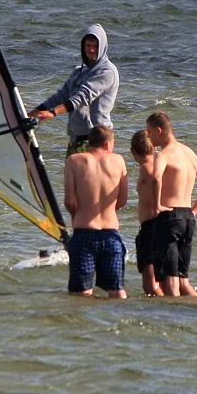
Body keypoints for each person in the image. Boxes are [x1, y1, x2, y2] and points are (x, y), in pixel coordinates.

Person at [146, 111, 197, 297]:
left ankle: (173, 318)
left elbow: (155, 178)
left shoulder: (164, 155)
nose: (148, 137)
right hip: (187, 217)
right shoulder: (188, 153)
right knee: (183, 280)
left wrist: (156, 206)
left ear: (159, 130)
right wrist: (195, 210)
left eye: (150, 132)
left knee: (170, 279)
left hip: (169, 217)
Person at [28, 23, 119, 155]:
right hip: (76, 139)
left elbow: (82, 97)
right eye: (88, 46)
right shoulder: (78, 71)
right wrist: (30, 114)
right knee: (71, 175)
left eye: (95, 46)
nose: (92, 50)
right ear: (83, 47)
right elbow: (61, 96)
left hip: (97, 141)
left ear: (103, 47)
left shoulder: (107, 72)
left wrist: (53, 113)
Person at [63, 125, 129, 298]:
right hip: (111, 235)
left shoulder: (74, 161)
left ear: (89, 143)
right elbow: (122, 200)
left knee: (82, 294)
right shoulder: (119, 161)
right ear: (108, 144)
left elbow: (69, 201)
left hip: (84, 233)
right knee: (117, 292)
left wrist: (75, 217)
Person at [129, 129, 163, 296]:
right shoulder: (159, 166)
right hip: (159, 226)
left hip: (150, 226)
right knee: (162, 278)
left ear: (133, 151)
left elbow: (154, 181)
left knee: (149, 284)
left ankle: (161, 308)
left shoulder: (146, 168)